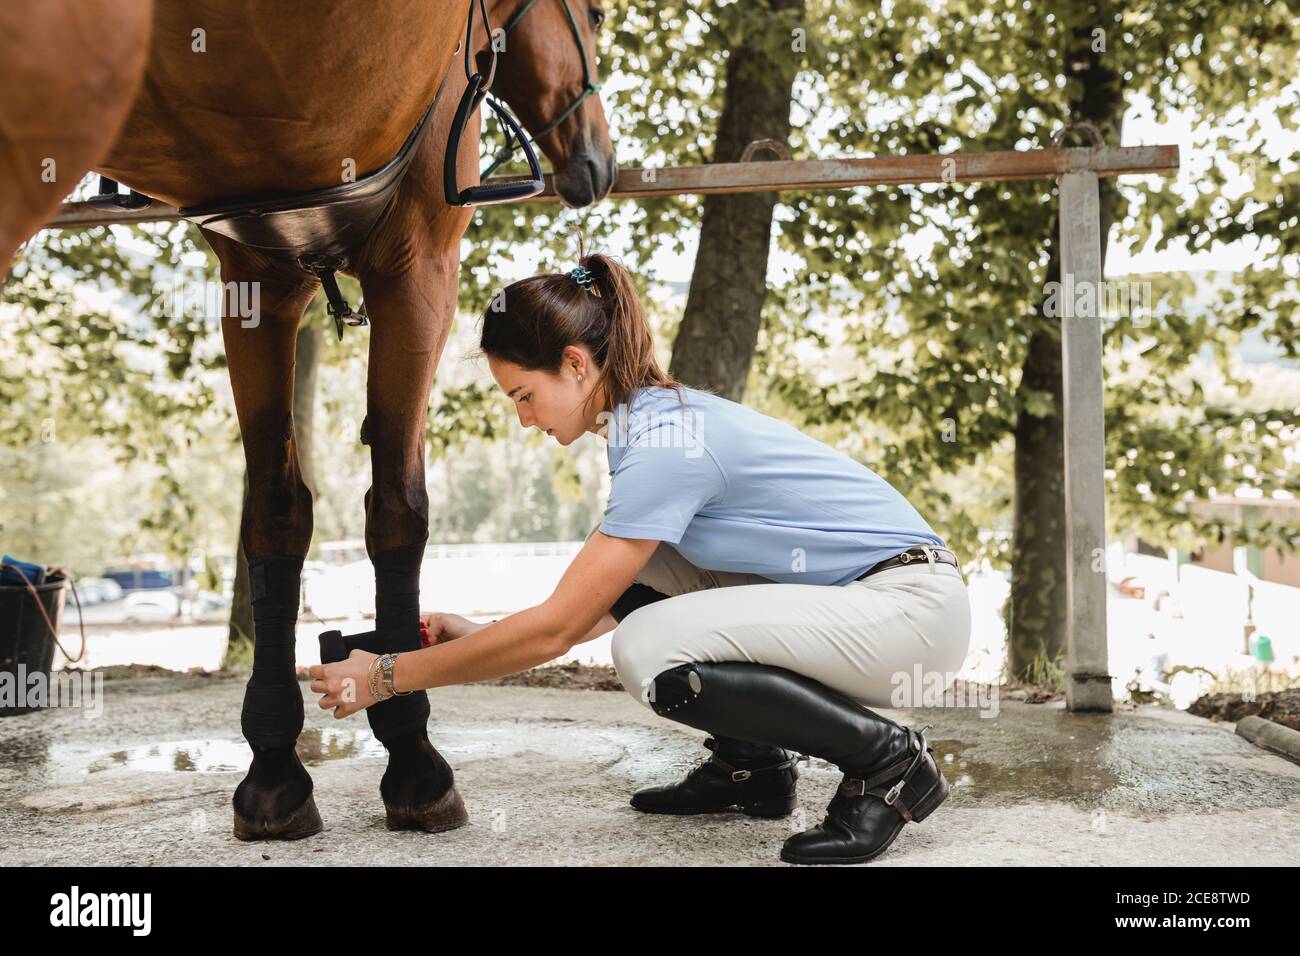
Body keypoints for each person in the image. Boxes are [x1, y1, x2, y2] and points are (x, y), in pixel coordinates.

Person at [309, 250, 972, 865]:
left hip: (910, 615)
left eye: (522, 395)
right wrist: (479, 637)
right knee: (654, 584)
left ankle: (889, 765)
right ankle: (753, 768)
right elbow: (616, 596)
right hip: (883, 604)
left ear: (575, 364)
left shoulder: (661, 446)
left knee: (648, 651)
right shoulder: (646, 423)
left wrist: (388, 676)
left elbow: (559, 629)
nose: (523, 419)